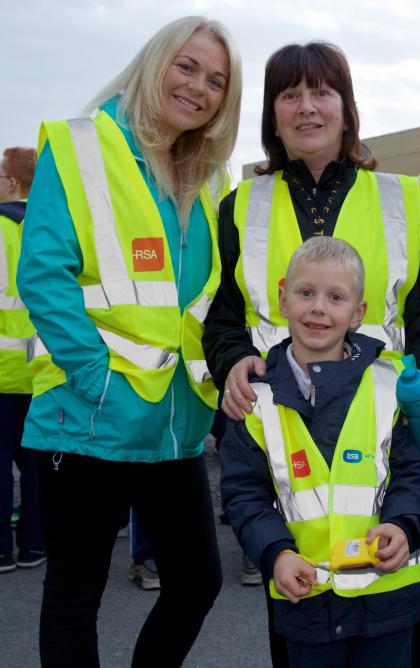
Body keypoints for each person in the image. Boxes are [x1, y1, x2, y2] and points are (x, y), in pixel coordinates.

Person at [202, 40, 420, 666]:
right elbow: (222, 315)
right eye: (290, 94)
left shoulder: (400, 196)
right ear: (273, 113)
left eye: (323, 92)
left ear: (346, 108)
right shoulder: (239, 206)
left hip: (380, 420)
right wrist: (232, 359)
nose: (307, 107)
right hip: (283, 428)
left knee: (395, 615)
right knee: (295, 617)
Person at [18, 16, 241, 666]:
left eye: (216, 81)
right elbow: (43, 272)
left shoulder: (211, 180)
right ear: (154, 63)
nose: (199, 86)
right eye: (186, 66)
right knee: (74, 594)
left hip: (173, 427)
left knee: (198, 581)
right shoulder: (82, 145)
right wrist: (96, 378)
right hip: (86, 419)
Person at [220, 236, 420, 667]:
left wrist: (403, 525)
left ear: (357, 313)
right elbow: (244, 494)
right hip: (307, 603)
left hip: (387, 600)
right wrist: (275, 553)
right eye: (306, 293)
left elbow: (415, 469)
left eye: (335, 297)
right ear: (283, 298)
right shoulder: (255, 401)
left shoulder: (391, 385)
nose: (319, 308)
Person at [0, 146, 44, 573]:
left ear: (13, 182)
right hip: (39, 368)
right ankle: (34, 544)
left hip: (0, 371)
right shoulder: (47, 222)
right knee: (33, 464)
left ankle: (0, 550)